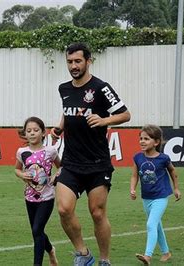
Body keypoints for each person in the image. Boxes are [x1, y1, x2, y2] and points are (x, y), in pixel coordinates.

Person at [50, 43, 131, 266]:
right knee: (64, 209)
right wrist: (59, 128)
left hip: (97, 163)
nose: (73, 66)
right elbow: (69, 112)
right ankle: (83, 253)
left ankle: (104, 260)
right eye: (70, 62)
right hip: (71, 162)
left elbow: (125, 114)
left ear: (88, 61)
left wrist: (104, 120)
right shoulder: (64, 89)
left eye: (78, 61)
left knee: (97, 213)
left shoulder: (101, 88)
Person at [130, 124, 181, 265]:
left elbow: (173, 172)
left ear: (156, 142)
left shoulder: (163, 158)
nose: (142, 141)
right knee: (156, 225)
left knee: (151, 224)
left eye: (146, 139)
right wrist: (132, 189)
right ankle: (166, 252)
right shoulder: (138, 158)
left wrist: (176, 189)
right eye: (141, 138)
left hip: (161, 196)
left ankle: (148, 256)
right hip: (146, 197)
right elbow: (134, 176)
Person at [15, 117, 61, 266]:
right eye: (29, 131)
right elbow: (17, 169)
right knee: (37, 232)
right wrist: (22, 175)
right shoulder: (22, 152)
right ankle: (51, 250)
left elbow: (61, 166)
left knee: (37, 230)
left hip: (47, 197)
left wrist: (56, 175)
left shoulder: (50, 151)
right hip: (29, 198)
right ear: (25, 134)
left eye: (35, 130)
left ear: (43, 133)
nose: (32, 133)